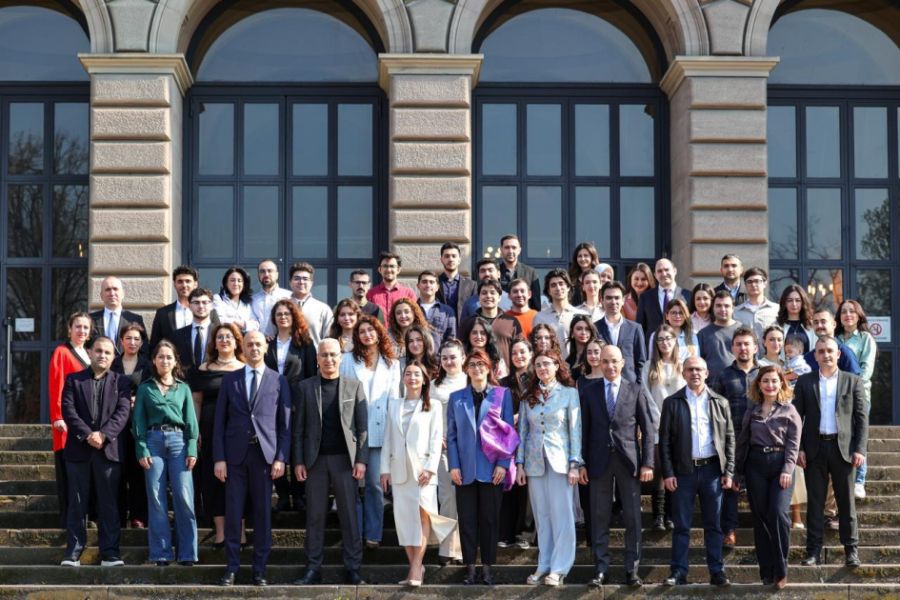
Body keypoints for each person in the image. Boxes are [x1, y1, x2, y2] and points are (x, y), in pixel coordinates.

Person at [213, 331, 291, 586]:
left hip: (264, 457)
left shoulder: (279, 380)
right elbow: (219, 422)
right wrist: (219, 458)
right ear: (243, 348)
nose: (254, 348)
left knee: (262, 514)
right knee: (233, 512)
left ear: (265, 348)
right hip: (234, 457)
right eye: (249, 344)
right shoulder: (230, 380)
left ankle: (260, 569)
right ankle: (232, 567)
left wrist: (281, 458)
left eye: (258, 344)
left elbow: (285, 425)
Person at [292, 338, 368, 586]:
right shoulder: (305, 387)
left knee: (349, 516)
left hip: (345, 461)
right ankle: (313, 568)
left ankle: (353, 568)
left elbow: (362, 427)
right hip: (315, 462)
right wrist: (298, 461)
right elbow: (298, 429)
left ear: (341, 357)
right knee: (315, 516)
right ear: (317, 358)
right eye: (324, 355)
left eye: (333, 355)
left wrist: (361, 460)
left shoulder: (354, 386)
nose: (329, 359)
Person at [580, 345, 655, 587]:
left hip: (628, 462)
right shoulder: (589, 391)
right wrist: (581, 462)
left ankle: (632, 570)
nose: (610, 366)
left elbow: (648, 429)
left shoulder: (635, 389)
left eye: (614, 361)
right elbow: (584, 430)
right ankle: (601, 569)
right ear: (599, 363)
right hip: (598, 462)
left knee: (633, 517)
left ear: (623, 363)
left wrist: (648, 463)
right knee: (599, 517)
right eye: (605, 361)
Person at [660, 356, 735, 587]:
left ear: (707, 373)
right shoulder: (672, 402)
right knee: (682, 525)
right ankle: (678, 572)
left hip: (712, 470)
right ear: (683, 373)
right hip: (683, 471)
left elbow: (729, 438)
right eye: (690, 369)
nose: (695, 373)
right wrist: (668, 473)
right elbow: (664, 442)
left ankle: (717, 571)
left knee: (714, 525)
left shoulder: (720, 402)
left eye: (699, 369)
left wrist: (729, 471)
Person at [794, 336, 868, 569]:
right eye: (821, 351)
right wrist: (799, 448)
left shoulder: (852, 381)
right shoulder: (805, 381)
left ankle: (851, 551)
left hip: (842, 449)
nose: (826, 355)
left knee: (846, 503)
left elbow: (861, 418)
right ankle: (813, 552)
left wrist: (860, 449)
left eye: (830, 351)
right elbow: (796, 418)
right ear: (815, 356)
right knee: (815, 504)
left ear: (838, 354)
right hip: (814, 449)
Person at [382, 361, 457, 587]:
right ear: (403, 378)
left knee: (423, 516)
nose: (412, 377)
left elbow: (436, 439)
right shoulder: (394, 405)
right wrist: (384, 470)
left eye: (417, 374)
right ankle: (415, 566)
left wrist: (431, 468)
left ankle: (415, 567)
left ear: (424, 380)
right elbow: (388, 438)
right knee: (404, 520)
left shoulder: (433, 405)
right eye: (408, 374)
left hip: (424, 472)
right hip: (399, 471)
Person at [59, 336, 131, 567]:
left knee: (108, 503)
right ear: (89, 353)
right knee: (77, 503)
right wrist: (88, 434)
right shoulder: (73, 380)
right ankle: (73, 552)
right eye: (98, 351)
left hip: (108, 451)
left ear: (113, 357)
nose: (102, 355)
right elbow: (68, 410)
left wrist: (104, 434)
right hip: (78, 451)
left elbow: (123, 412)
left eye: (107, 352)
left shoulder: (121, 382)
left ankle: (110, 553)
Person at [447, 349, 515, 585]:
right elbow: (451, 435)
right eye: (472, 365)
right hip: (464, 470)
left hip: (492, 468)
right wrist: (453, 465)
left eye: (481, 364)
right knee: (467, 521)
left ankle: (487, 568)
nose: (477, 369)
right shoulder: (456, 398)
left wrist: (503, 464)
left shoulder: (502, 395)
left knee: (489, 520)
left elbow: (508, 432)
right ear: (466, 369)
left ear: (489, 368)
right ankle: (470, 569)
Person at [516, 350, 582, 587]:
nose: (542, 368)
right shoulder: (528, 397)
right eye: (538, 365)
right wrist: (520, 464)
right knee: (542, 516)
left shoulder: (569, 393)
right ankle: (544, 564)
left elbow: (575, 430)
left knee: (562, 515)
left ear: (556, 366)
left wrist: (574, 464)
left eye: (547, 364)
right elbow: (522, 432)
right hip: (535, 463)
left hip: (560, 462)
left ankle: (560, 567)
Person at [132, 340, 199, 566]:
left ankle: (187, 553)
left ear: (175, 361)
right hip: (153, 442)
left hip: (179, 442)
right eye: (160, 357)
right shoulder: (145, 388)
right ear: (154, 360)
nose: (165, 360)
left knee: (184, 496)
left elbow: (191, 421)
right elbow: (138, 421)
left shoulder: (183, 388)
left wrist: (192, 448)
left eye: (169, 357)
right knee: (156, 498)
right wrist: (141, 447)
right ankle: (161, 553)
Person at [734, 365, 801, 589]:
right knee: (760, 518)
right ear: (759, 385)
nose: (770, 385)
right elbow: (743, 442)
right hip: (755, 465)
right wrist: (737, 472)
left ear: (781, 383)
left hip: (780, 464)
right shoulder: (752, 411)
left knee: (779, 514)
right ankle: (766, 570)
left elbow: (793, 444)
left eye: (774, 381)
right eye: (765, 381)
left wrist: (788, 469)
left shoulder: (790, 410)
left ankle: (781, 569)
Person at [340, 315, 401, 549]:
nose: (367, 335)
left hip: (380, 431)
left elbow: (394, 400)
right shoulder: (348, 360)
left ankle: (373, 533)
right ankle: (355, 532)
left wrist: (394, 434)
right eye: (362, 331)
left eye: (371, 330)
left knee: (375, 484)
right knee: (352, 485)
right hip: (352, 431)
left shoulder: (392, 363)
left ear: (378, 333)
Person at [189, 323, 245, 548]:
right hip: (209, 430)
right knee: (213, 481)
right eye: (220, 337)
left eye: (229, 337)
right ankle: (221, 533)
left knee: (238, 480)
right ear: (214, 342)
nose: (224, 340)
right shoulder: (204, 369)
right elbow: (196, 401)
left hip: (237, 431)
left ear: (237, 341)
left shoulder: (245, 368)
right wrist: (196, 431)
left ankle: (240, 531)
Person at [265, 299, 317, 512]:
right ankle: (283, 493)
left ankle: (299, 494)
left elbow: (311, 375)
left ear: (294, 317)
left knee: (297, 448)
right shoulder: (267, 343)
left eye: (287, 314)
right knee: (273, 446)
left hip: (298, 402)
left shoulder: (305, 344)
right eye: (279, 314)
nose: (283, 317)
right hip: (270, 403)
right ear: (274, 319)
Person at [711, 328, 760, 548]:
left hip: (759, 439)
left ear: (755, 348)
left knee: (759, 486)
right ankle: (729, 531)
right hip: (731, 439)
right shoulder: (724, 375)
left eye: (747, 344)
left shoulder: (764, 373)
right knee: (730, 485)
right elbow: (715, 408)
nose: (743, 348)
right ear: (732, 348)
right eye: (739, 344)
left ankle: (762, 529)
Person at [49, 312, 93, 528]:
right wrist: (58, 416)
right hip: (66, 423)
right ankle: (69, 519)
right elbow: (56, 384)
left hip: (85, 424)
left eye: (85, 327)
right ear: (69, 329)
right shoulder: (62, 352)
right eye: (78, 326)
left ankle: (85, 516)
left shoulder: (89, 353)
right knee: (68, 474)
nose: (81, 331)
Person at [640, 325, 685, 531]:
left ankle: (671, 514)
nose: (665, 343)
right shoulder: (649, 366)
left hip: (679, 425)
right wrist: (658, 419)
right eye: (660, 339)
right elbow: (645, 395)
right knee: (658, 468)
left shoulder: (682, 365)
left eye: (668, 338)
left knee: (673, 468)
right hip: (656, 423)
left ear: (675, 341)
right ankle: (658, 515)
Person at [835, 299, 877, 499]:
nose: (848, 315)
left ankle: (859, 480)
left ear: (859, 316)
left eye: (852, 311)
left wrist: (850, 387)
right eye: (844, 311)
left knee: (859, 435)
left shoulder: (865, 338)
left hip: (859, 395)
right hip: (836, 396)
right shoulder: (834, 339)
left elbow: (866, 369)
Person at [111, 324, 151, 530]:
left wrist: (140, 400)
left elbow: (154, 390)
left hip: (139, 423)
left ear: (142, 343)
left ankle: (138, 516)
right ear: (121, 341)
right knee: (118, 471)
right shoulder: (113, 363)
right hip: (116, 424)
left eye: (136, 339)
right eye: (128, 338)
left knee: (138, 471)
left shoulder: (148, 365)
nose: (132, 342)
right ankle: (118, 515)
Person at [432, 340, 468, 565]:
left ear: (463, 357)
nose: (448, 361)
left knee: (466, 499)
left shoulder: (471, 380)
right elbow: (427, 416)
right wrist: (436, 437)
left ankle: (464, 548)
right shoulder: (434, 386)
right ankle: (447, 548)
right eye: (444, 358)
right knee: (447, 498)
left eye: (453, 357)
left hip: (469, 449)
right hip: (444, 448)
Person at [498, 338, 535, 550]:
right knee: (509, 484)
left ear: (530, 354)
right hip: (508, 439)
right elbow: (495, 413)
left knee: (527, 488)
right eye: (514, 353)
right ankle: (506, 533)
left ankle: (525, 535)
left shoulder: (538, 379)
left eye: (522, 352)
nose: (518, 356)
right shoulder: (503, 383)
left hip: (532, 440)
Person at [459, 279, 522, 372]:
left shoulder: (511, 322)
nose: (488, 296)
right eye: (484, 293)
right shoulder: (468, 323)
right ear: (479, 297)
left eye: (492, 293)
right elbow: (460, 350)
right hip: (475, 374)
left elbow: (519, 350)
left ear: (499, 297)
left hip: (505, 376)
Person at [595, 281, 646, 383]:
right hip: (601, 384)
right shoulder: (594, 328)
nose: (613, 301)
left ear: (623, 300)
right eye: (609, 298)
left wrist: (638, 386)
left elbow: (641, 362)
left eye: (617, 298)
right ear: (601, 300)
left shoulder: (635, 328)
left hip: (629, 385)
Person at [635, 258, 690, 344]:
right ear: (655, 275)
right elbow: (640, 327)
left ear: (675, 271)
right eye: (659, 271)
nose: (664, 274)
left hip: (680, 346)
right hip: (653, 347)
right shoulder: (645, 297)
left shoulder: (687, 296)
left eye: (667, 270)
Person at [90, 276, 147, 354]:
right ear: (101, 295)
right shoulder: (91, 319)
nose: (112, 293)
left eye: (115, 289)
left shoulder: (135, 320)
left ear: (122, 294)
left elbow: (144, 349)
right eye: (107, 289)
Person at [533, 269, 587, 349]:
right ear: (549, 291)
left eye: (561, 284)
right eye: (553, 285)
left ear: (568, 287)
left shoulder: (582, 315)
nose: (558, 288)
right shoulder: (540, 317)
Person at [150, 266, 200, 350]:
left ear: (195, 284)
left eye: (188, 281)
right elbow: (154, 345)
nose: (184, 285)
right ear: (174, 284)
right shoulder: (162, 313)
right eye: (180, 281)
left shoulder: (209, 312)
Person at [286, 262, 333, 348]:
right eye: (297, 278)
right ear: (290, 282)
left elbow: (329, 339)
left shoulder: (323, 309)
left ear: (311, 283)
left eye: (305, 279)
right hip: (287, 355)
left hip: (315, 355)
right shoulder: (282, 307)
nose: (301, 282)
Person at [697, 291, 740, 382]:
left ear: (733, 308)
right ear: (713, 308)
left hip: (739, 384)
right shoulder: (703, 334)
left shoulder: (743, 331)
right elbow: (698, 363)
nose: (722, 309)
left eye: (726, 306)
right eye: (718, 306)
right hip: (711, 386)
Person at [803, 309, 862, 375]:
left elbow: (854, 379)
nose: (819, 325)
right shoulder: (808, 358)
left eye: (823, 322)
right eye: (816, 323)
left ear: (834, 324)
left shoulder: (845, 353)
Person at [172, 288, 218, 372]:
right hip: (186, 379)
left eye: (205, 302)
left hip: (212, 378)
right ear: (189, 306)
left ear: (211, 306)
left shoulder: (219, 333)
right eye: (196, 303)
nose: (201, 306)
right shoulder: (178, 335)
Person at [734, 267, 780, 346]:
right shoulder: (736, 312)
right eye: (749, 282)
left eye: (757, 281)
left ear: (765, 283)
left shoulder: (776, 310)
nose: (753, 284)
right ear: (745, 285)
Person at [436, 242, 477, 325]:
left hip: (463, 329)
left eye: (454, 256)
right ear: (441, 259)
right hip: (439, 328)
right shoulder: (434, 283)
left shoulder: (471, 285)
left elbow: (474, 311)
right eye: (447, 256)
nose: (450, 259)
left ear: (459, 260)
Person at [497, 234, 541, 310]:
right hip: (500, 316)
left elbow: (536, 304)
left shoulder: (530, 272)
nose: (510, 251)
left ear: (519, 250)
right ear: (501, 250)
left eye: (514, 247)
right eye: (507, 247)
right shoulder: (495, 271)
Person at [367, 251, 417, 316]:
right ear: (379, 269)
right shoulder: (371, 294)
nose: (388, 270)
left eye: (392, 266)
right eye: (385, 266)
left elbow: (415, 315)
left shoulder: (408, 293)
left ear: (398, 270)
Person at [251, 259, 291, 338]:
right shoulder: (252, 300)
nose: (266, 274)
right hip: (258, 343)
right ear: (258, 275)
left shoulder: (289, 297)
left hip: (283, 342)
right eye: (262, 271)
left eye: (270, 271)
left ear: (277, 274)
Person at [416, 270, 457, 348]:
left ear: (437, 287)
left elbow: (451, 339)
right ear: (418, 286)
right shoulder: (411, 310)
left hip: (440, 355)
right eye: (424, 282)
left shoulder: (447, 311)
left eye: (431, 282)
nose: (428, 285)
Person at [213, 266, 259, 333]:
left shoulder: (248, 302)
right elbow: (219, 320)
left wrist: (242, 324)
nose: (236, 284)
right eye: (232, 280)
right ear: (226, 283)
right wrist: (243, 324)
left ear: (244, 284)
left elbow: (256, 325)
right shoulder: (218, 298)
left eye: (239, 281)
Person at [776, 284, 817, 353]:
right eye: (790, 300)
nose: (794, 304)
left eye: (797, 300)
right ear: (784, 303)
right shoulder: (777, 325)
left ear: (803, 302)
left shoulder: (811, 325)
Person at [566, 315, 599, 380]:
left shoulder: (594, 355)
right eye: (579, 329)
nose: (583, 332)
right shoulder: (569, 359)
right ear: (572, 333)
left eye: (587, 329)